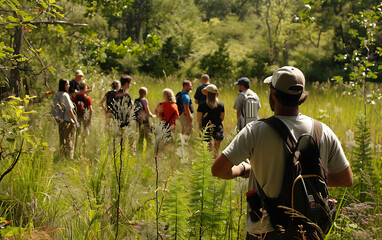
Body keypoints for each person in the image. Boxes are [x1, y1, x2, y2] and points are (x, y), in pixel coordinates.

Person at [211, 66, 353, 240]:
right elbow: (346, 179)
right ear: (300, 96)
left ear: (273, 93)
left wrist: (243, 169)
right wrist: (307, 177)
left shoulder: (255, 131)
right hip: (309, 230)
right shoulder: (323, 131)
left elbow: (218, 170)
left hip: (265, 230)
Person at [52, 78, 78, 159]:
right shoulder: (65, 95)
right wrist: (75, 120)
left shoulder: (56, 95)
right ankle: (69, 158)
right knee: (69, 140)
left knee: (62, 140)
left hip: (60, 121)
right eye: (67, 84)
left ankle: (62, 157)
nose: (69, 86)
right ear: (64, 86)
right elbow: (69, 109)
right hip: (68, 120)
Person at [197, 84, 224, 154]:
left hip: (206, 128)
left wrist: (201, 126)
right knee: (216, 151)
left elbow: (199, 119)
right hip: (218, 128)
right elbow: (222, 118)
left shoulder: (202, 105)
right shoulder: (221, 104)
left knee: (208, 152)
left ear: (207, 93)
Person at [73, 82, 93, 150]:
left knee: (76, 132)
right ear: (85, 88)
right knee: (85, 133)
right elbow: (91, 109)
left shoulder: (75, 97)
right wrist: (90, 119)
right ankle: (84, 147)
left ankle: (74, 146)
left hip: (77, 116)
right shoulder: (87, 98)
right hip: (85, 117)